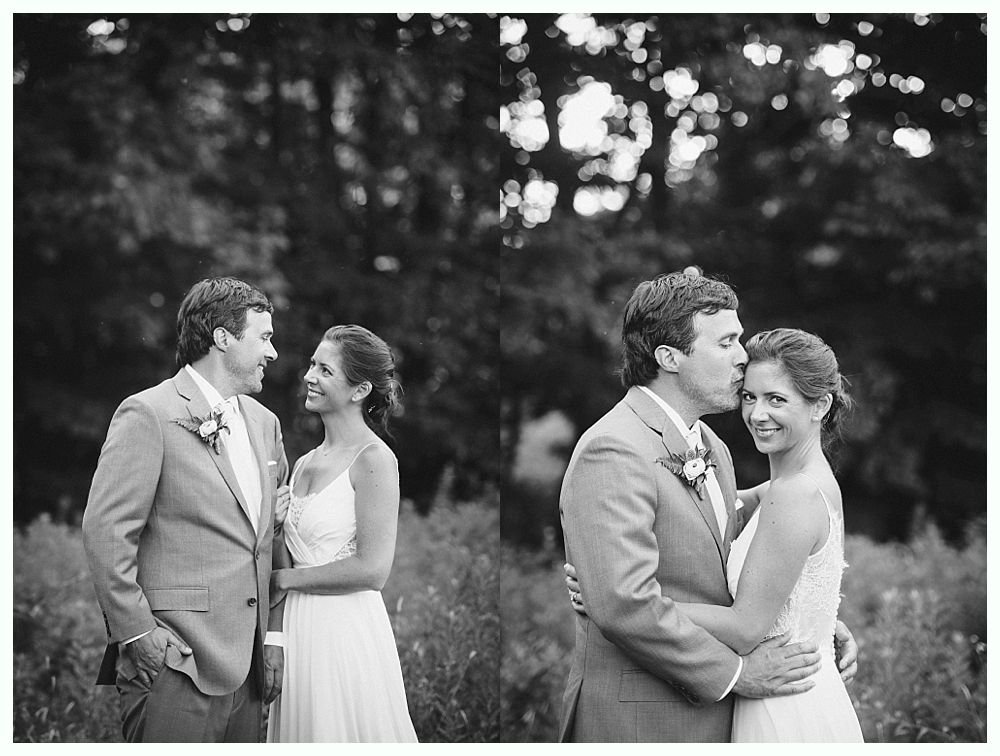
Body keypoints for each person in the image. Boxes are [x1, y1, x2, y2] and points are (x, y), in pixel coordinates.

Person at [557, 271, 858, 742]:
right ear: (670, 357)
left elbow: (732, 535)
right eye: (727, 342)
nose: (742, 357)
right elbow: (622, 604)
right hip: (643, 721)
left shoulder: (709, 446)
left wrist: (811, 622)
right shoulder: (613, 449)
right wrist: (736, 673)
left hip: (721, 719)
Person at [81, 277, 289, 742]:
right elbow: (107, 530)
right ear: (222, 338)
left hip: (251, 672)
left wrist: (272, 639)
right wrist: (138, 634)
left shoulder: (265, 424)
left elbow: (271, 541)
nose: (272, 353)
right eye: (264, 338)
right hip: (176, 663)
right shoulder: (148, 413)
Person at [671, 328, 863, 741]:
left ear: (820, 405)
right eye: (749, 397)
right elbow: (699, 515)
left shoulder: (794, 494)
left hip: (785, 710)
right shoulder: (792, 486)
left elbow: (744, 628)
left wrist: (627, 600)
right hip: (791, 694)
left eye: (777, 399)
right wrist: (611, 558)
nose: (758, 414)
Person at [265, 324, 417, 743]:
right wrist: (274, 637)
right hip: (296, 633)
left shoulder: (375, 461)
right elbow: (285, 553)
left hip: (344, 632)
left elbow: (372, 570)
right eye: (312, 365)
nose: (309, 376)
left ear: (359, 389)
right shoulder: (304, 463)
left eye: (325, 370)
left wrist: (286, 580)